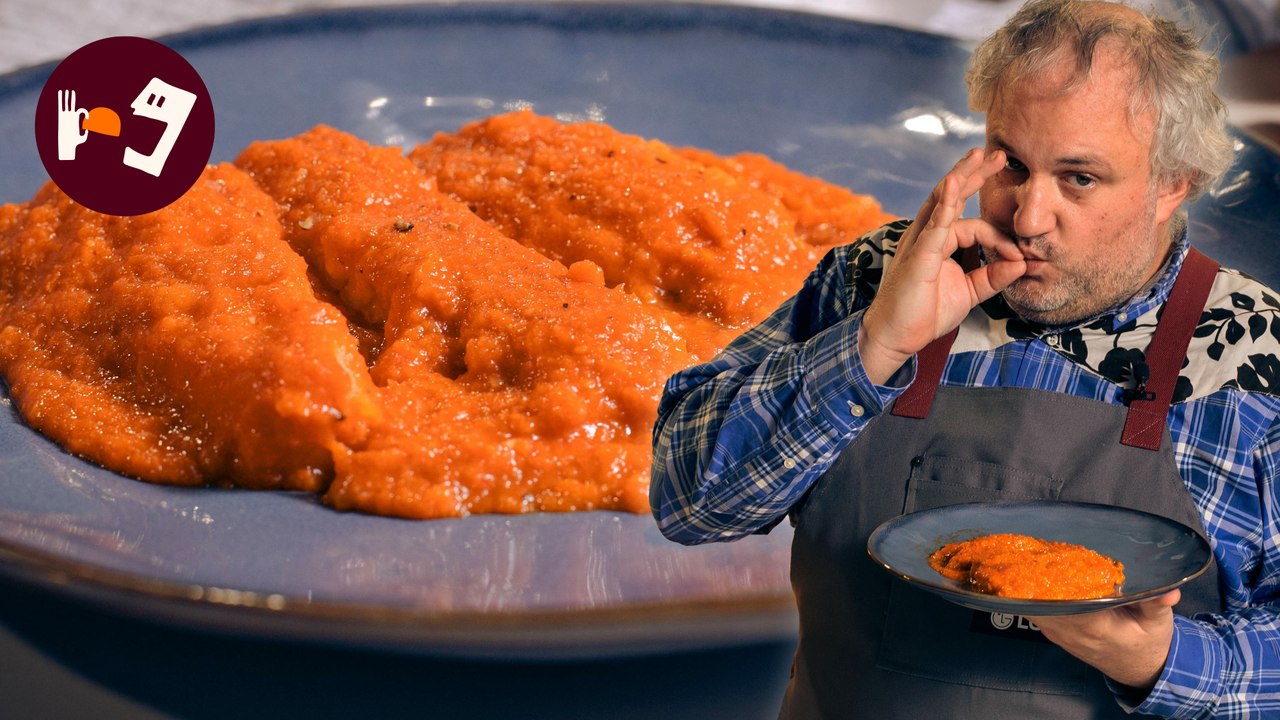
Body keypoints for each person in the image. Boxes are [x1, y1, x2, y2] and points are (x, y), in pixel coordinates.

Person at [649, 0, 1280, 717]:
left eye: (1079, 178)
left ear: (1175, 181)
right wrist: (875, 344)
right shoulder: (876, 277)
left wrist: (1165, 664)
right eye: (1010, 164)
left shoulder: (1256, 356)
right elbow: (690, 502)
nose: (1029, 217)